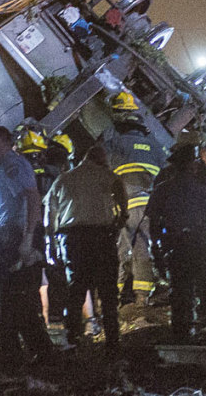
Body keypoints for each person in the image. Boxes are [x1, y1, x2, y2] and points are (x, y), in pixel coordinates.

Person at [45, 144, 127, 350]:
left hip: (72, 239)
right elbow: (121, 197)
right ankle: (113, 339)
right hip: (101, 237)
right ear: (101, 159)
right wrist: (120, 219)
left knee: (76, 288)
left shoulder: (63, 179)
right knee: (108, 290)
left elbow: (50, 215)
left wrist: (51, 245)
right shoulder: (107, 175)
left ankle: (73, 338)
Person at [0, 126, 54, 364]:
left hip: (17, 239)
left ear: (7, 143)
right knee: (12, 302)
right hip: (9, 239)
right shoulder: (3, 168)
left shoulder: (14, 165)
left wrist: (27, 240)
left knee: (15, 301)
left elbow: (31, 199)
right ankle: (26, 355)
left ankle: (30, 356)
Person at [146, 144, 206, 340]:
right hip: (200, 242)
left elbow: (153, 222)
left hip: (176, 244)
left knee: (180, 290)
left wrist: (157, 249)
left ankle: (182, 331)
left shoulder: (163, 189)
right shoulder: (203, 188)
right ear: (191, 165)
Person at [102, 95, 166, 306]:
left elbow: (103, 173)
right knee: (142, 249)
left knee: (121, 250)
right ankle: (141, 298)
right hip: (149, 206)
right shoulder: (155, 146)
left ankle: (112, 299)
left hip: (125, 206)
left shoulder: (114, 142)